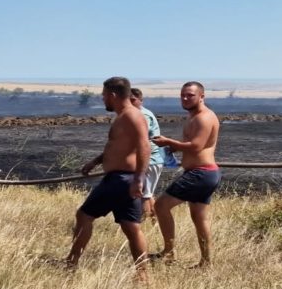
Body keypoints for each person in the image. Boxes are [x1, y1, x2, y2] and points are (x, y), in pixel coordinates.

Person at [65, 77, 150, 275]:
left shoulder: (132, 116)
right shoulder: (124, 116)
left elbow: (144, 146)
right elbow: (118, 148)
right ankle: (143, 275)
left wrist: (139, 178)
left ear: (112, 95)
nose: (103, 99)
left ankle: (71, 263)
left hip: (121, 180)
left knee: (84, 216)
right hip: (122, 179)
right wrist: (95, 161)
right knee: (131, 227)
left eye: (104, 96)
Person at [152, 81, 221, 267]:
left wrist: (168, 142)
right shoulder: (193, 117)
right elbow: (192, 147)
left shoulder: (204, 118)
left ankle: (169, 252)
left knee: (160, 206)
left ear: (201, 96)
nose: (185, 98)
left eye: (190, 95)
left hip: (201, 173)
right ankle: (206, 263)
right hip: (204, 173)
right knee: (199, 218)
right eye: (182, 95)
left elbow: (197, 145)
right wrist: (174, 148)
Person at [129, 87, 165, 218]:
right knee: (148, 193)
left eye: (133, 100)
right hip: (152, 159)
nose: (130, 103)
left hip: (150, 159)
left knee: (143, 195)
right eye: (128, 100)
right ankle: (155, 222)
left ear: (140, 100)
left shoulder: (143, 116)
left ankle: (144, 225)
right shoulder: (138, 114)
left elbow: (141, 140)